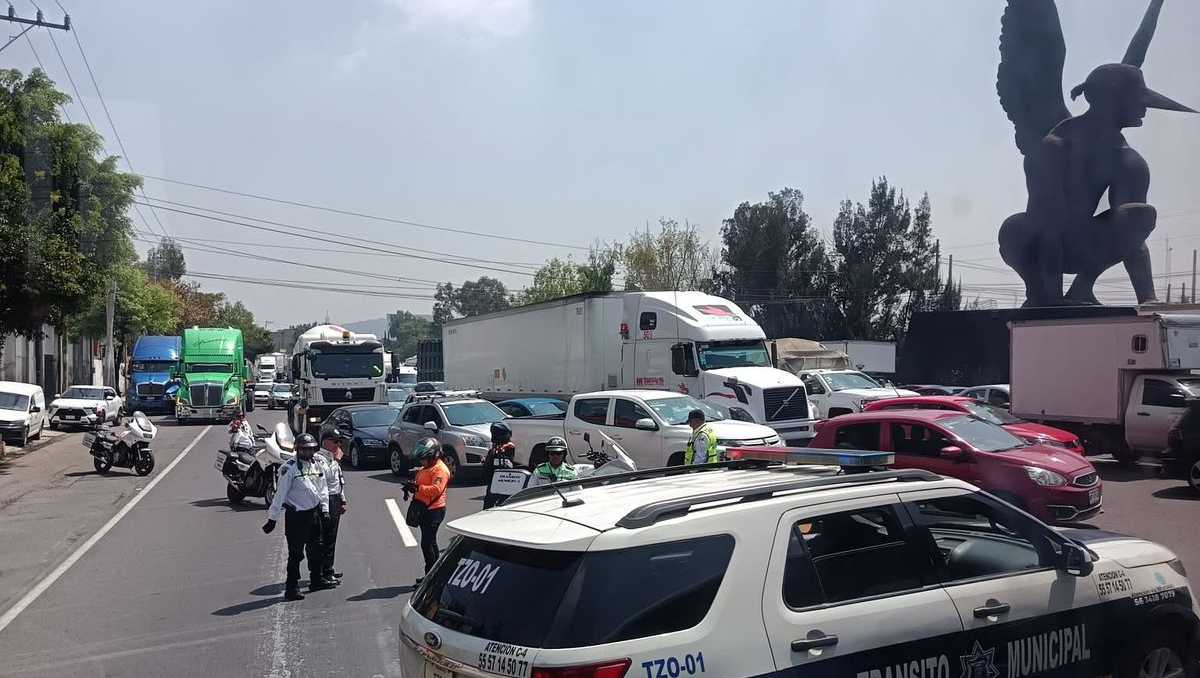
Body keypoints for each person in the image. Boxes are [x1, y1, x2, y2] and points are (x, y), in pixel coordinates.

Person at [263, 433, 332, 601]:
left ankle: (316, 580)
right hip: (297, 518)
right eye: (304, 450)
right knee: (296, 554)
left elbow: (322, 489)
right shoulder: (290, 468)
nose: (308, 453)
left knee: (316, 549)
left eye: (311, 450)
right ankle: (291, 588)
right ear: (297, 450)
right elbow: (280, 495)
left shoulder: (317, 465)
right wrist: (272, 518)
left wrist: (325, 510)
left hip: (314, 514)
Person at [403, 438, 450, 580]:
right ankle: (435, 574)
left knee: (427, 544)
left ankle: (430, 577)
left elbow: (436, 489)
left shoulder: (440, 470)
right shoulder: (427, 468)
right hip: (425, 509)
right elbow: (423, 484)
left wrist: (418, 488)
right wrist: (411, 486)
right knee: (431, 543)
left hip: (434, 511)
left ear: (433, 456)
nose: (421, 462)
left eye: (424, 459)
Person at [317, 437, 347, 584]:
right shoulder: (320, 460)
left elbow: (339, 481)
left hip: (334, 499)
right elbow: (325, 482)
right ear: (326, 442)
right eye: (335, 442)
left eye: (339, 442)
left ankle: (329, 569)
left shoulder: (333, 459)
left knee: (332, 537)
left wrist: (342, 500)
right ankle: (323, 572)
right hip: (325, 500)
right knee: (325, 538)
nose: (338, 445)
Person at [482, 422, 517, 509]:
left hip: (506, 480)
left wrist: (503, 448)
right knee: (488, 504)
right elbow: (487, 466)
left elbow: (510, 446)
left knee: (506, 503)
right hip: (493, 480)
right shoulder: (493, 450)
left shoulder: (509, 447)